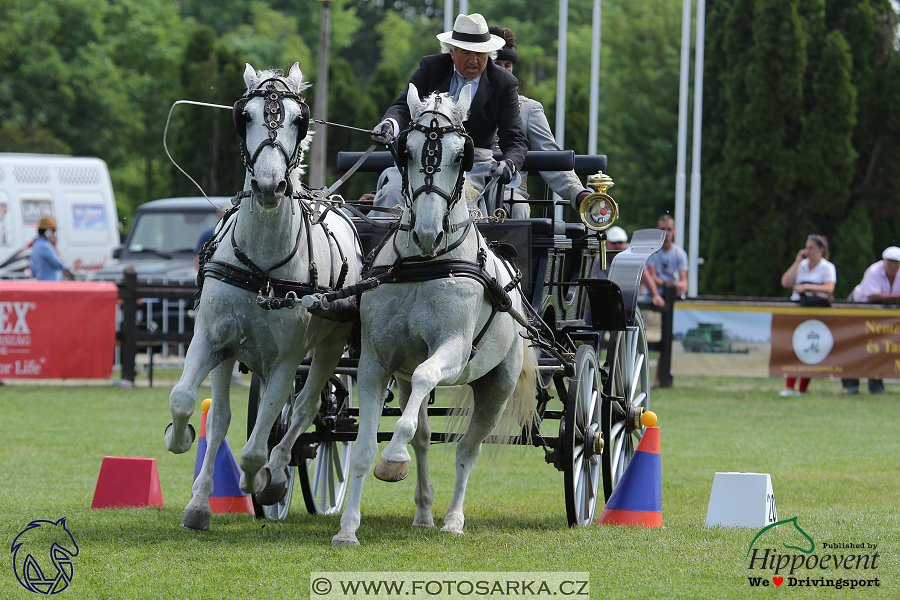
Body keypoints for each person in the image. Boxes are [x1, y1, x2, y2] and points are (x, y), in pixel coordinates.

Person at [371, 13, 527, 212]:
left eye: (480, 54)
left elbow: (514, 139)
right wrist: (390, 124)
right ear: (452, 52)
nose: (474, 60)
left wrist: (509, 164)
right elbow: (403, 106)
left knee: (461, 200)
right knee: (393, 191)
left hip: (473, 166)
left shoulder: (504, 82)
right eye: (466, 52)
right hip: (421, 159)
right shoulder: (431, 67)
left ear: (489, 54)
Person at [489, 26, 591, 218]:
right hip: (465, 192)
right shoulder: (462, 103)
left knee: (517, 209)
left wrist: (579, 194)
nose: (504, 71)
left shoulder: (528, 109)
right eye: (496, 64)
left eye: (508, 65)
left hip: (510, 196)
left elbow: (551, 158)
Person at [778, 234, 836, 396]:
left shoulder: (827, 267)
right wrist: (797, 261)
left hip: (814, 312)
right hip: (798, 310)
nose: (807, 251)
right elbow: (786, 282)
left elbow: (829, 289)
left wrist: (807, 287)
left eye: (811, 248)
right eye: (806, 247)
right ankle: (789, 387)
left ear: (821, 250)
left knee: (809, 349)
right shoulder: (802, 265)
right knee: (793, 347)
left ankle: (802, 389)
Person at [840, 246, 900, 394]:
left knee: (877, 346)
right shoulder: (873, 271)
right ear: (883, 261)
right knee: (855, 345)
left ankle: (876, 384)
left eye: (896, 262)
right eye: (890, 261)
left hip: (881, 314)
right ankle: (852, 384)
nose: (892, 265)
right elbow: (873, 296)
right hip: (859, 307)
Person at [645, 215, 688, 305]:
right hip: (653, 295)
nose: (666, 232)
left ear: (674, 230)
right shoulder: (651, 252)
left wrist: (682, 286)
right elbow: (651, 277)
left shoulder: (680, 253)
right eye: (663, 229)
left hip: (673, 294)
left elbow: (684, 279)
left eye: (669, 229)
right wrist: (668, 285)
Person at [31, 216, 72, 281]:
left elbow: (33, 270)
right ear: (49, 232)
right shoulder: (46, 247)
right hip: (51, 286)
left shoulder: (36, 245)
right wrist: (55, 246)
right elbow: (61, 265)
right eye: (54, 231)